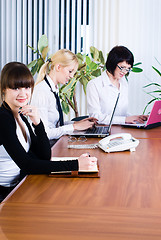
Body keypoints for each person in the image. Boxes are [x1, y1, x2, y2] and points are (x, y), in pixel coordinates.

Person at [0, 62, 97, 202]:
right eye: (16, 88)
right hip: (6, 192)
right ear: (4, 89)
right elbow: (27, 165)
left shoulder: (21, 114)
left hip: (21, 184)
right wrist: (76, 164)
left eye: (27, 87)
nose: (23, 93)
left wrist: (38, 123)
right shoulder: (3, 119)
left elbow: (44, 155)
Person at [31, 49, 97, 141]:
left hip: (54, 142)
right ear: (58, 67)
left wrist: (76, 124)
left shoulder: (54, 89)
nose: (71, 76)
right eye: (70, 71)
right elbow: (45, 133)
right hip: (47, 147)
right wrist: (74, 127)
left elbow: (55, 125)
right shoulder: (42, 91)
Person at [86, 45, 148, 125]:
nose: (125, 72)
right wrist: (125, 119)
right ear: (113, 63)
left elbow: (121, 114)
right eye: (122, 67)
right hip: (103, 131)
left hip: (121, 130)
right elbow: (96, 117)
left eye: (128, 69)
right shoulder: (94, 85)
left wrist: (136, 118)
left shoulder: (123, 83)